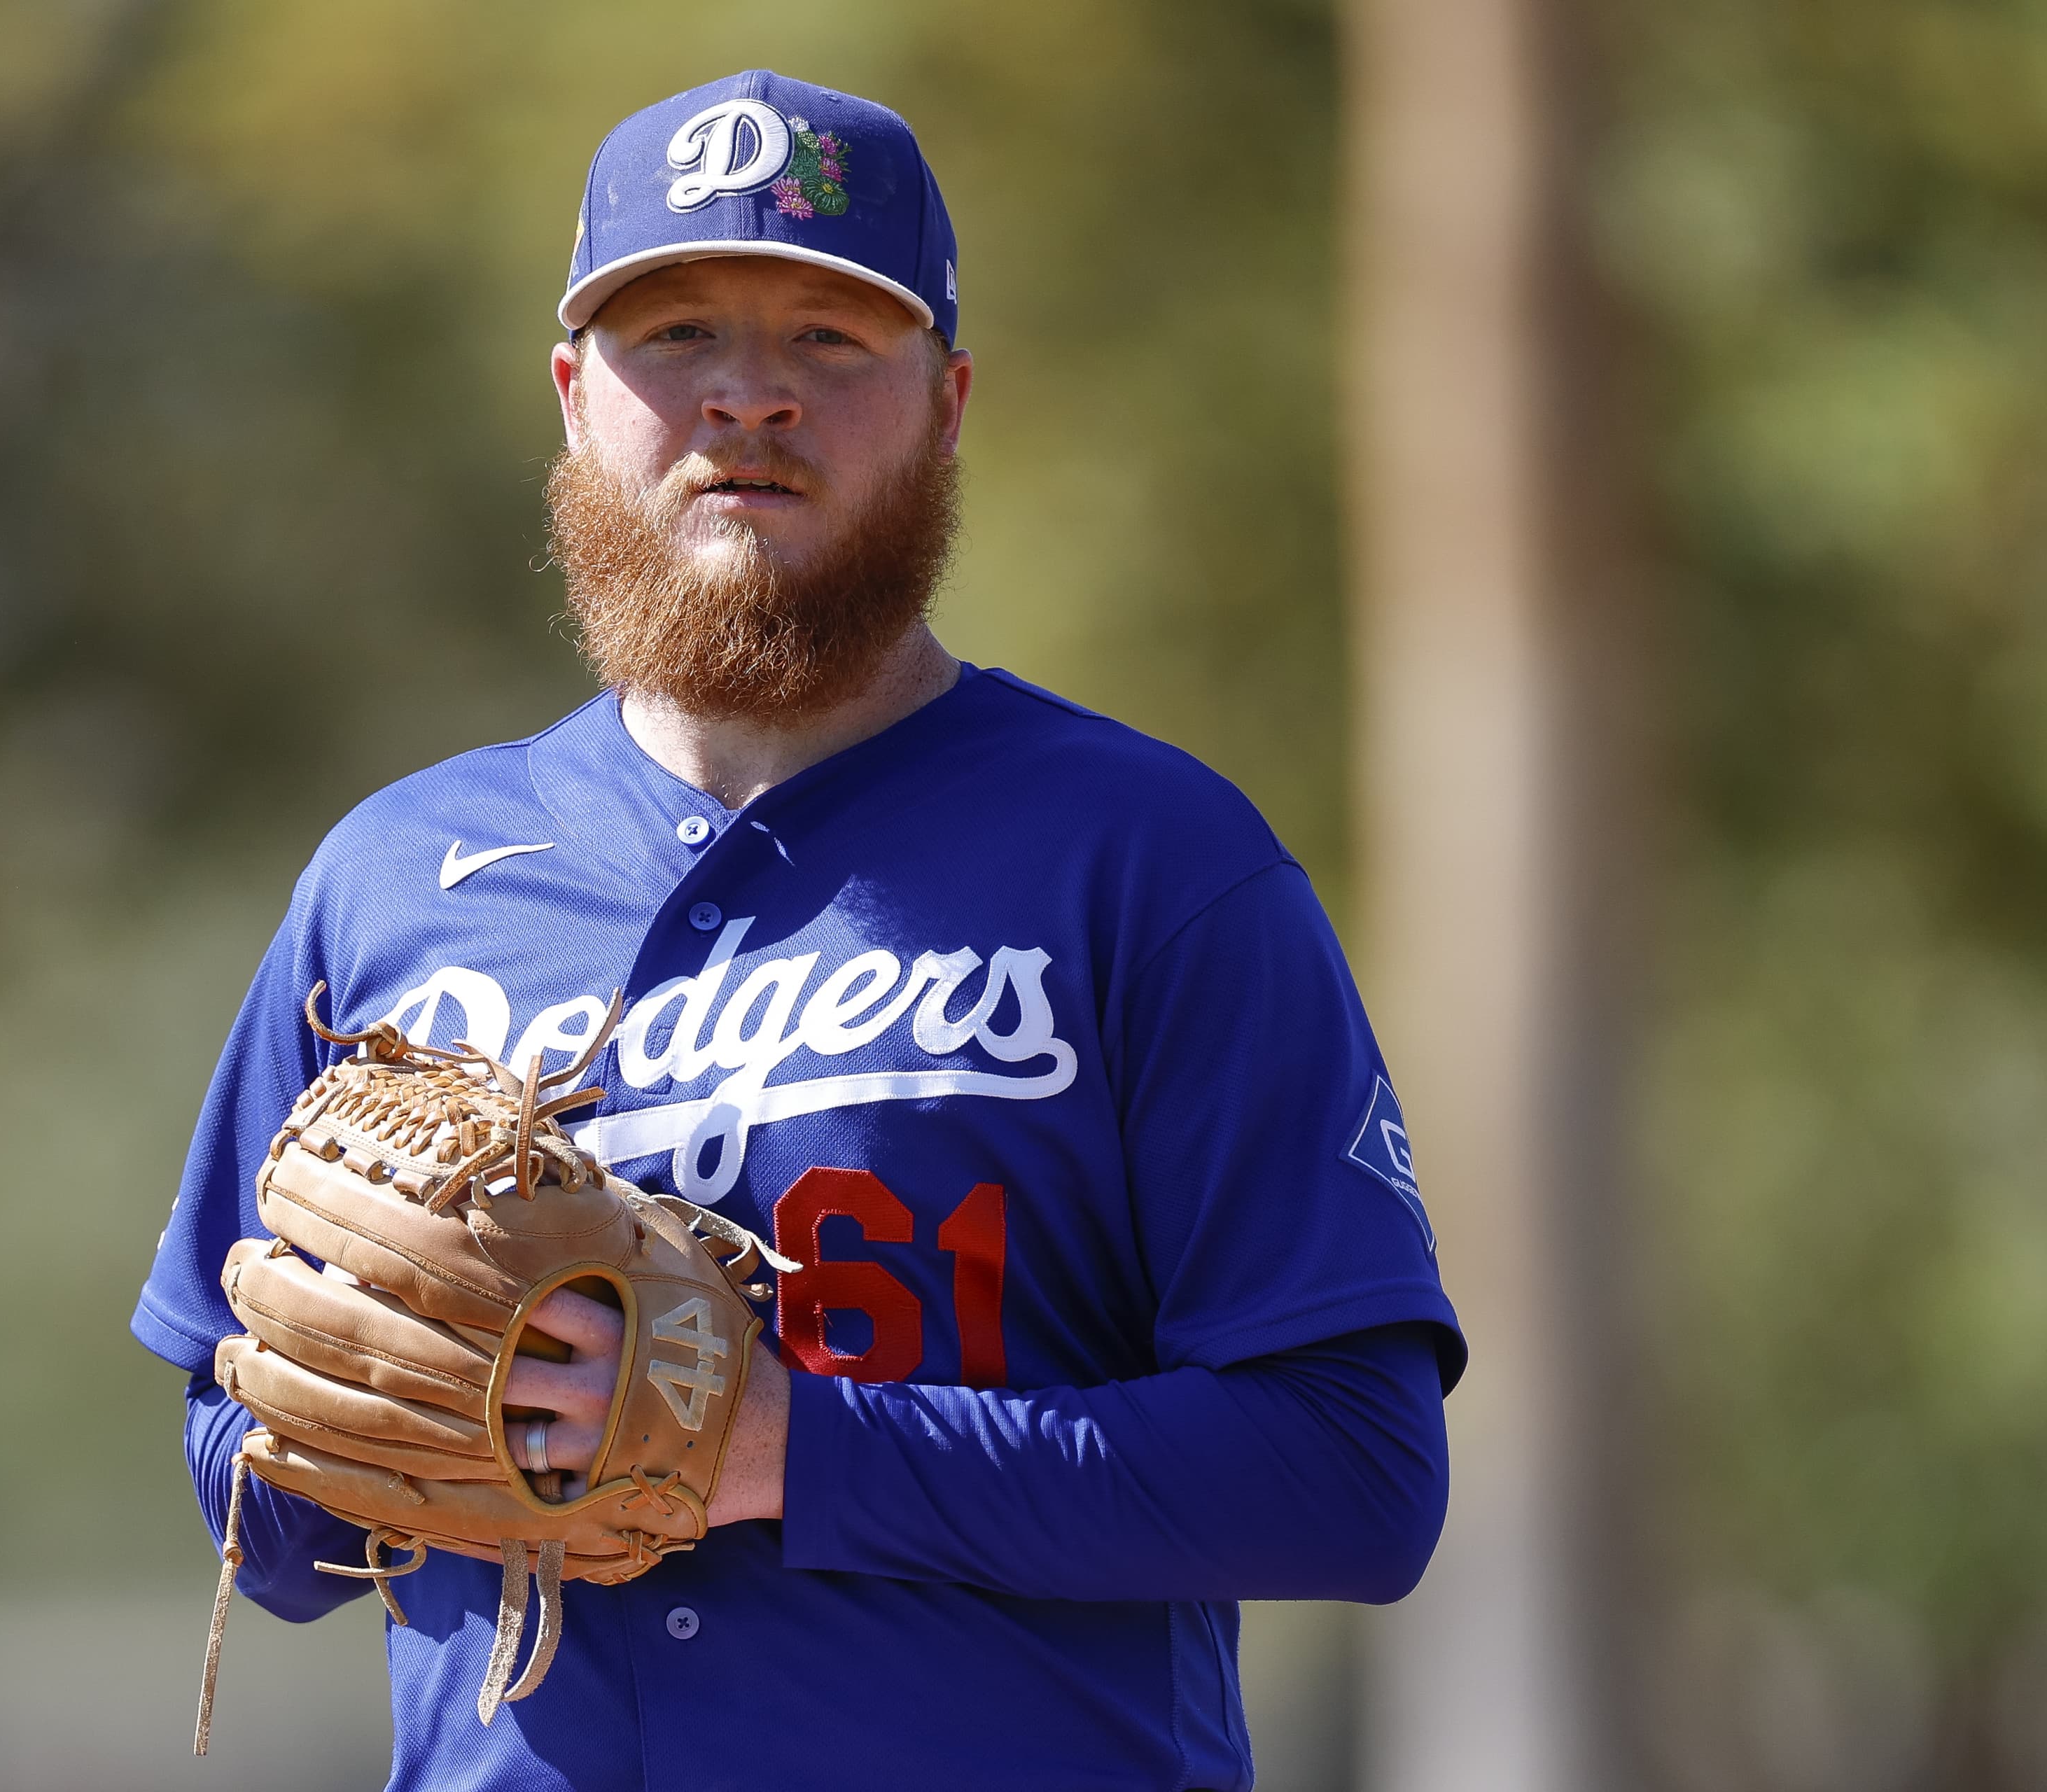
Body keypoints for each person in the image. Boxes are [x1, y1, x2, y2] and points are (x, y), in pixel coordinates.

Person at [134, 69, 1464, 1791]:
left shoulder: (1149, 859)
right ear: (572, 396)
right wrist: (366, 1429)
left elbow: (1353, 1475)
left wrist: (784, 1445)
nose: (748, 394)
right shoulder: (394, 879)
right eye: (674, 331)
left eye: (831, 338)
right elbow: (248, 1474)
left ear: (950, 402)